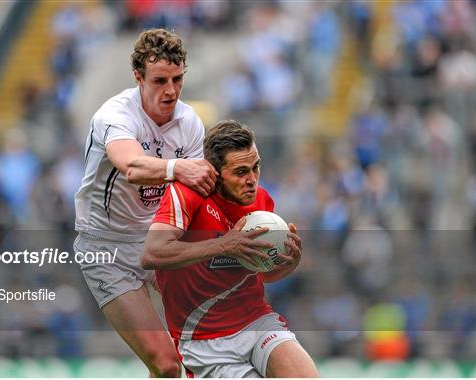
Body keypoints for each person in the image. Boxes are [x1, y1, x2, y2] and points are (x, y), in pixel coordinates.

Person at [73, 28, 217, 377]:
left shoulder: (190, 122)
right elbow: (133, 167)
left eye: (178, 78)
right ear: (138, 77)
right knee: (166, 365)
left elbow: (194, 195)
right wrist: (178, 168)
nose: (170, 90)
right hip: (106, 249)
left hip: (157, 241)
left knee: (213, 340)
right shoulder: (115, 115)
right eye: (160, 80)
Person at [141, 120, 319, 378]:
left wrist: (286, 264)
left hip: (256, 321)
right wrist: (224, 245)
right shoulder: (186, 194)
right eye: (240, 172)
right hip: (205, 340)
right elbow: (152, 254)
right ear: (215, 172)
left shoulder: (261, 202)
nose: (252, 180)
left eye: (256, 167)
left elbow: (260, 272)